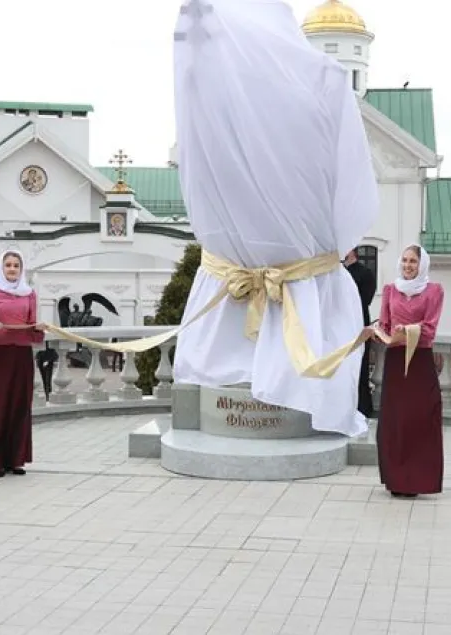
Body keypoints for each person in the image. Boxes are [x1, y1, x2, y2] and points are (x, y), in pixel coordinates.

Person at [170, 0, 380, 437]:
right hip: (279, 270)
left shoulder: (318, 81)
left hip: (269, 269)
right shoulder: (313, 85)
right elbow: (350, 185)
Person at [375, 244, 444, 498]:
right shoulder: (390, 290)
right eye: (404, 260)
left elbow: (429, 330)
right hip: (395, 362)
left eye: (413, 261)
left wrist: (407, 331)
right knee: (395, 421)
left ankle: (417, 479)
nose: (407, 265)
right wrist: (378, 334)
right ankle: (396, 479)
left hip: (418, 361)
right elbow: (384, 324)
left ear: (422, 264)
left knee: (420, 418)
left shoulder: (433, 291)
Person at [0, 250, 45, 477]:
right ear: (1, 269)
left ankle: (16, 459)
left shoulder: (29, 295)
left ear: (21, 270)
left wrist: (38, 329)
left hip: (22, 356)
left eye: (16, 266)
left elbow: (33, 330)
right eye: (8, 265)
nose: (12, 269)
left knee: (20, 406)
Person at [346, 249, 377, 417]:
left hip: (358, 325)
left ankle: (362, 408)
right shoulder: (338, 273)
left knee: (360, 367)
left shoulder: (365, 273)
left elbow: (365, 299)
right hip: (341, 326)